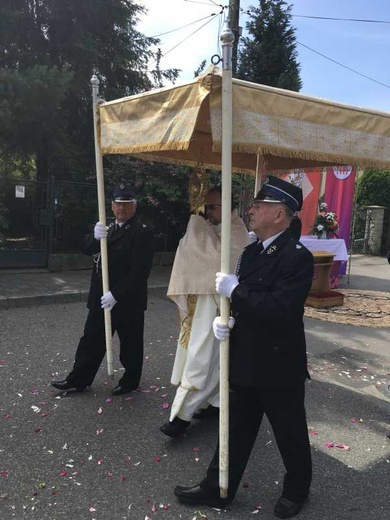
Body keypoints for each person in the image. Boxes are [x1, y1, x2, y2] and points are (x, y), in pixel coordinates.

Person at [174, 176, 314, 519]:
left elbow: (281, 311)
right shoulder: (251, 252)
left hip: (279, 367)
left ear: (279, 215)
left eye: (259, 205)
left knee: (290, 435)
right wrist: (229, 321)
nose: (250, 209)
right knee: (234, 430)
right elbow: (248, 307)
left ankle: (297, 490)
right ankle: (217, 487)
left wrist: (237, 292)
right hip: (247, 359)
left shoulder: (297, 258)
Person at [160, 187, 250, 437]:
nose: (207, 213)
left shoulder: (236, 231)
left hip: (219, 306)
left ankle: (181, 416)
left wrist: (195, 226)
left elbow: (213, 260)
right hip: (202, 303)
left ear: (227, 206)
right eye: (206, 208)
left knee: (203, 359)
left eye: (212, 207)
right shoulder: (212, 227)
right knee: (209, 358)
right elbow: (189, 252)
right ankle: (216, 403)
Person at [51, 184, 154, 396]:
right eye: (117, 204)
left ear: (134, 206)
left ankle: (130, 382)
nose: (121, 209)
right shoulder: (107, 227)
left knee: (130, 343)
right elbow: (87, 249)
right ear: (111, 205)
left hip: (126, 300)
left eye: (126, 204)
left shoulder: (141, 232)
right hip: (101, 297)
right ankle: (78, 379)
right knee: (91, 339)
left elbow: (140, 272)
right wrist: (94, 237)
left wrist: (116, 294)